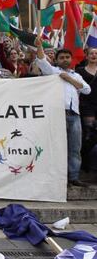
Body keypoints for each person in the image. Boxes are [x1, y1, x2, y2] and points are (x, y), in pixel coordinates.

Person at [35, 37, 91, 187]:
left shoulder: (76, 75)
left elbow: (86, 89)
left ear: (71, 59)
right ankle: (57, 177)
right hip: (57, 114)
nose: (65, 60)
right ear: (57, 60)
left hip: (74, 115)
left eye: (67, 57)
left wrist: (68, 79)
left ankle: (73, 177)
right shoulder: (53, 72)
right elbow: (41, 62)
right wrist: (39, 46)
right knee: (56, 146)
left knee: (74, 147)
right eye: (62, 57)